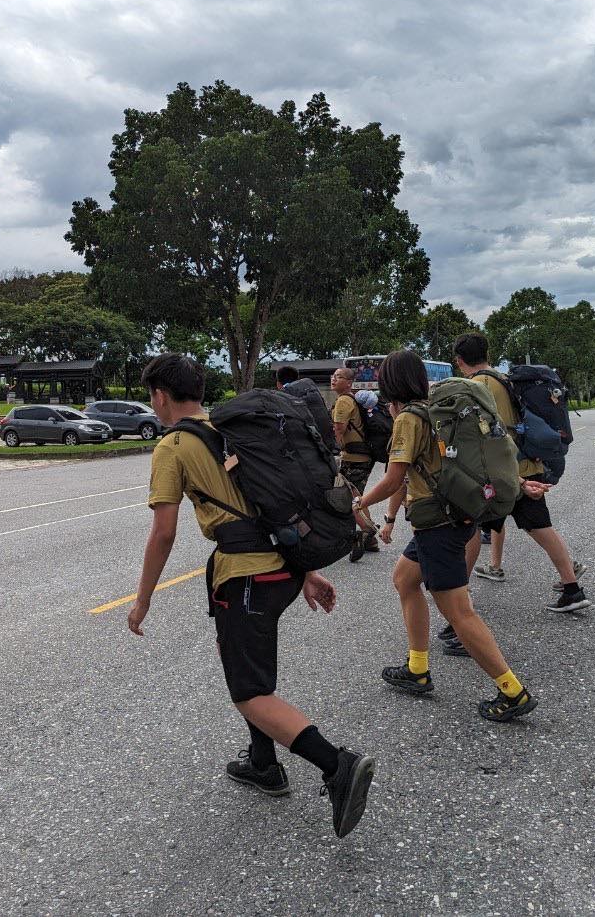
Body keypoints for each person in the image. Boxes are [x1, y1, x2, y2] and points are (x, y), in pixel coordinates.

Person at [127, 354, 375, 839]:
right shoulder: (231, 430)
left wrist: (143, 599)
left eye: (151, 397)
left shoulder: (174, 445)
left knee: (249, 692)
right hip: (279, 570)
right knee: (252, 669)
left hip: (246, 579)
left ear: (159, 394)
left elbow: (163, 533)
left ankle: (336, 764)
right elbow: (267, 505)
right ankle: (263, 763)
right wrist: (303, 573)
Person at [351, 349, 540, 722]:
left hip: (439, 524)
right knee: (405, 579)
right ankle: (418, 668)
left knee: (458, 612)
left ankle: (512, 691)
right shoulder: (435, 411)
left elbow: (393, 477)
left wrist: (359, 504)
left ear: (389, 384)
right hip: (447, 517)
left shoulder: (409, 418)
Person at [449, 333, 589, 617]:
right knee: (540, 527)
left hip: (502, 472)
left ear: (460, 361)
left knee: (469, 528)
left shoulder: (478, 385)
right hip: (526, 465)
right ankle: (572, 588)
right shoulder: (503, 378)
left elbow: (485, 432)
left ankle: (456, 592)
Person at [331, 366, 380, 563]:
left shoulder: (344, 400)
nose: (334, 379)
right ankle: (371, 539)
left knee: (349, 498)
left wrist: (332, 450)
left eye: (339, 377)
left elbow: (339, 428)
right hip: (361, 456)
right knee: (356, 496)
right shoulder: (351, 399)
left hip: (354, 458)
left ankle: (368, 532)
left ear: (349, 383)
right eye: (333, 376)